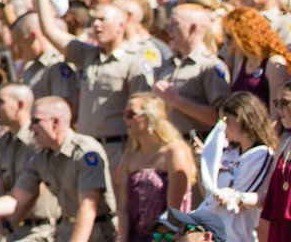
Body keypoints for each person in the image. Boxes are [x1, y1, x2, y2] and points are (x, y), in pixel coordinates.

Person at [31, 0, 152, 161]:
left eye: (103, 20)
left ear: (121, 25)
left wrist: (131, 155)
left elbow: (142, 112)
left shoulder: (134, 61)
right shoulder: (88, 55)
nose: (96, 25)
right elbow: (50, 31)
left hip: (117, 149)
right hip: (87, 148)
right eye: (94, 19)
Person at [0, 96, 116, 242]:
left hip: (97, 232)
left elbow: (88, 208)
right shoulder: (41, 157)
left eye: (36, 121)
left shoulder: (84, 153)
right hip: (65, 230)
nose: (30, 127)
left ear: (55, 122)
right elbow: (17, 198)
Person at [115, 93, 195, 242]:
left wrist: (164, 238)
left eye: (131, 114)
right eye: (124, 114)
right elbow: (124, 207)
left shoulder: (174, 152)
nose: (126, 119)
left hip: (167, 236)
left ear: (151, 116)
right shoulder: (129, 157)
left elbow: (175, 211)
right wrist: (122, 238)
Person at [198, 91, 275, 242]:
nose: (221, 126)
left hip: (237, 236)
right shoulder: (228, 153)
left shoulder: (261, 154)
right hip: (212, 233)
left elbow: (233, 198)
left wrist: (221, 196)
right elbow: (209, 195)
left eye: (224, 120)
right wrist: (204, 163)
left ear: (240, 117)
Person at [153, 3, 232, 138]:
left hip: (196, 145)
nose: (168, 30)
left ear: (193, 28)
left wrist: (176, 100)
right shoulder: (168, 65)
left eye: (175, 24)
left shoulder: (210, 66)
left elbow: (222, 117)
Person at [222, 6, 289, 115]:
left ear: (244, 36)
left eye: (229, 37)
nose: (225, 41)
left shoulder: (273, 63)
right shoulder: (243, 61)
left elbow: (277, 116)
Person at [260, 80, 291, 242]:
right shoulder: (284, 142)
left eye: (285, 102)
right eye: (276, 103)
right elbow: (269, 195)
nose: (279, 110)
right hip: (279, 229)